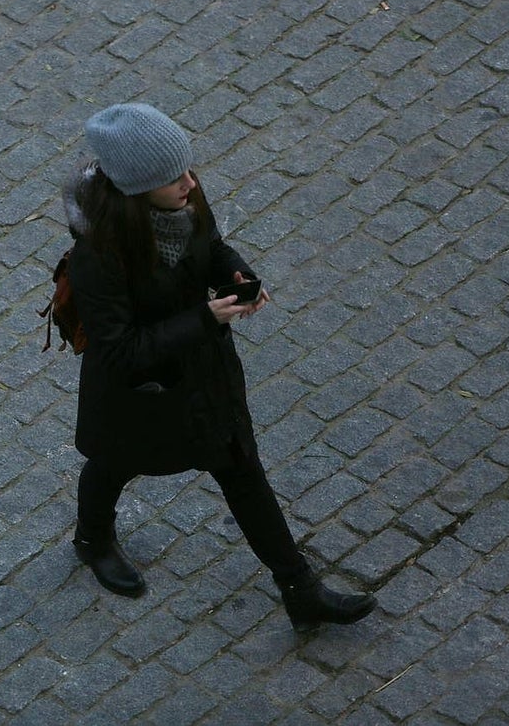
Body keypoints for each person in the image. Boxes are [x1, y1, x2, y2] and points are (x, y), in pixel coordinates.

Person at [63, 102, 376, 632]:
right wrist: (204, 318)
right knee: (113, 463)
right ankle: (93, 538)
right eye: (174, 178)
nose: (190, 183)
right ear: (137, 190)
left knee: (242, 470)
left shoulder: (182, 199)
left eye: (188, 169)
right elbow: (119, 352)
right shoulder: (99, 256)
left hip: (206, 380)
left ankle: (300, 589)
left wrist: (236, 272)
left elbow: (210, 244)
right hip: (141, 397)